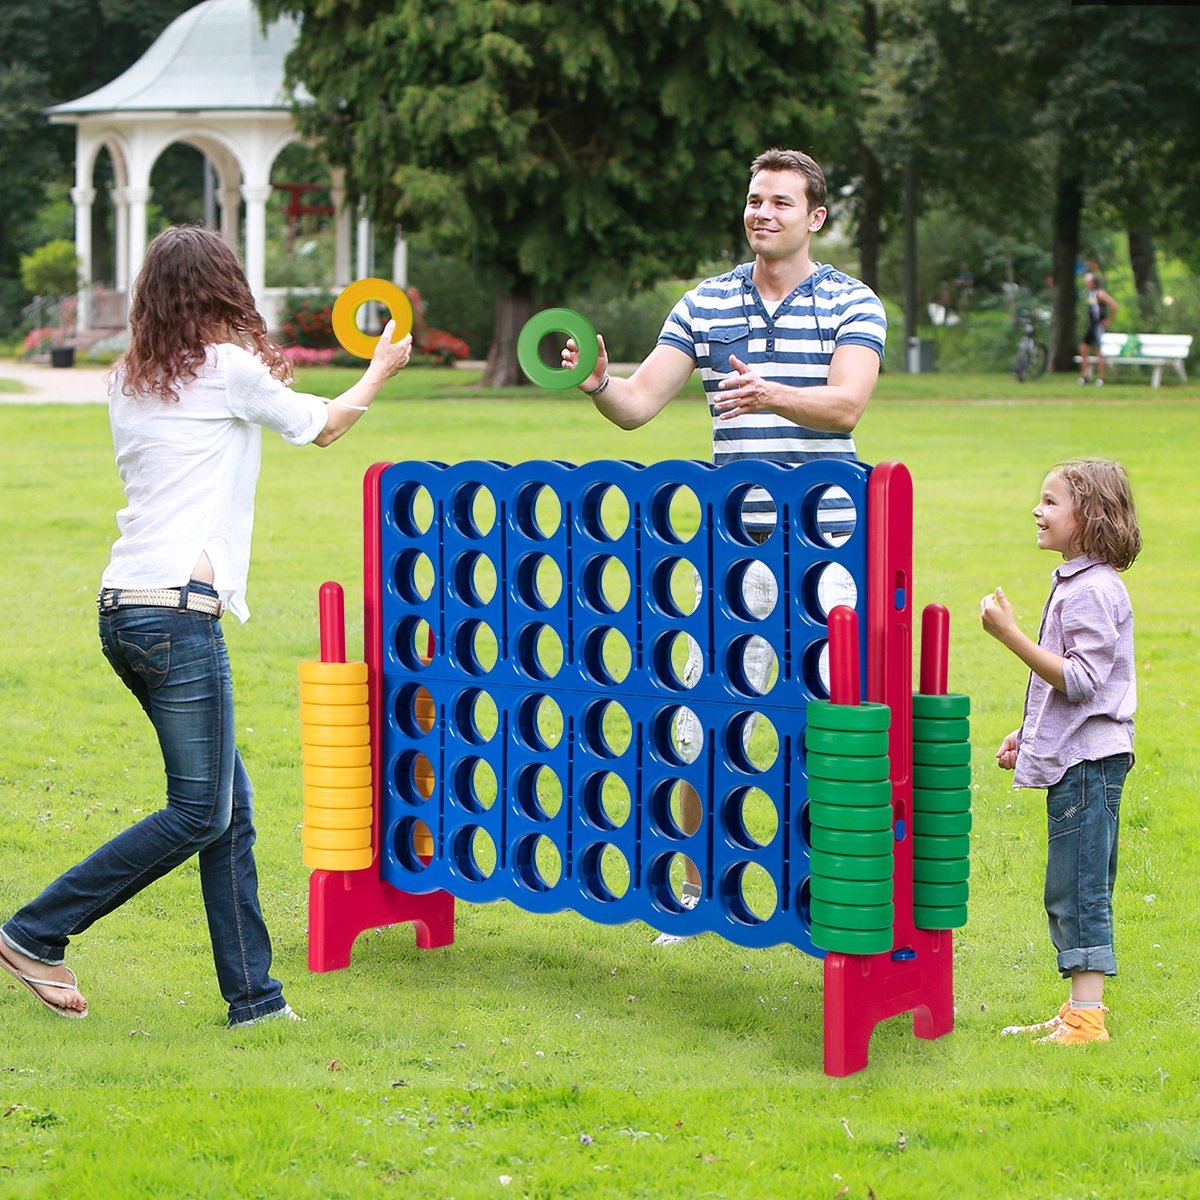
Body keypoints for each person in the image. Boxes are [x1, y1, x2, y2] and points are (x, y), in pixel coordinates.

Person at [0, 225, 412, 1025]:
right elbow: (323, 425)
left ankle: (255, 1001)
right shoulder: (224, 370)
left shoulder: (128, 377)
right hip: (177, 619)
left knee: (230, 809)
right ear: (221, 287)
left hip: (123, 610)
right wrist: (379, 372)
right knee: (199, 812)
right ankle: (34, 931)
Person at [562, 147, 886, 944]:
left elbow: (846, 408)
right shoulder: (705, 306)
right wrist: (602, 384)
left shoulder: (853, 302)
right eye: (753, 200)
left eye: (780, 202)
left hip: (830, 548)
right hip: (734, 552)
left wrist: (769, 393)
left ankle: (830, 888)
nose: (762, 214)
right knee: (700, 721)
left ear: (814, 217)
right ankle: (697, 890)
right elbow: (639, 405)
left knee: (832, 722)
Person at [980, 458, 1141, 1045]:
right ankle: (1077, 1008)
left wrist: (1010, 637)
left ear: (1089, 517)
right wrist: (1029, 737)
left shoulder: (1094, 590)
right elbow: (1071, 692)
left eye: (1050, 501)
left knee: (1080, 886)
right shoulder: (1077, 582)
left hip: (1090, 764)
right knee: (1069, 883)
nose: (1036, 510)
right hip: (1077, 756)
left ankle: (1086, 1020)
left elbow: (1081, 681)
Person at [1077, 271, 1118, 386]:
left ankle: (1101, 377)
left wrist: (1109, 320)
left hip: (1098, 325)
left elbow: (1114, 305)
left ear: (1094, 283)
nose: (1087, 284)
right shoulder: (1089, 294)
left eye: (1088, 282)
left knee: (1099, 350)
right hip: (1091, 324)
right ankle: (1085, 375)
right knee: (1083, 348)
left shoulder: (1100, 293)